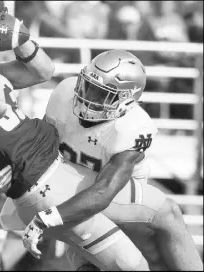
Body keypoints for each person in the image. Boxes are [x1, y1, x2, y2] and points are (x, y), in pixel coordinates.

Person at [0, 5, 150, 271]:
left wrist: (18, 36)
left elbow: (43, 71)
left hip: (58, 165)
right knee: (131, 265)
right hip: (39, 183)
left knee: (160, 218)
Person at [12, 50, 202, 271]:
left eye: (101, 94)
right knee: (92, 264)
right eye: (88, 86)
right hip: (69, 189)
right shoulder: (65, 92)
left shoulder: (133, 126)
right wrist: (15, 166)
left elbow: (104, 192)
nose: (87, 97)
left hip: (112, 198)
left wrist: (47, 218)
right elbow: (41, 143)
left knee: (168, 213)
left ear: (126, 101)